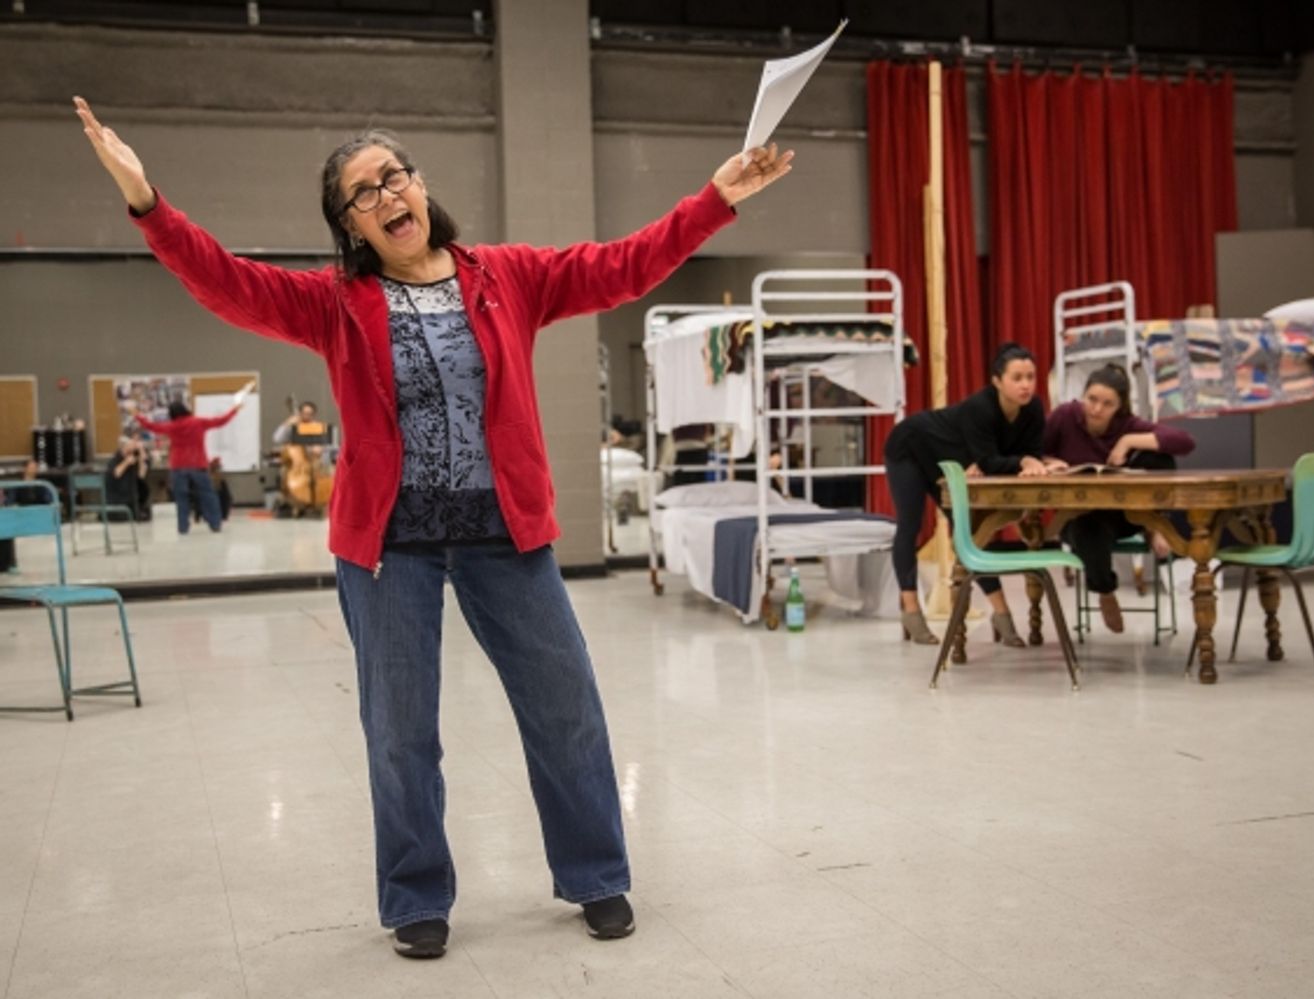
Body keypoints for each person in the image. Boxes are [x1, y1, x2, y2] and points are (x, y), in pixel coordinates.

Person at [74, 95, 791, 957]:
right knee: (400, 729)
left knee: (566, 707)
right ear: (351, 226)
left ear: (421, 185)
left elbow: (623, 267)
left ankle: (597, 872)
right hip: (390, 545)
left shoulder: (507, 276)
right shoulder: (336, 302)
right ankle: (416, 892)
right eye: (361, 194)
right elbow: (227, 281)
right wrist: (147, 201)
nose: (385, 196)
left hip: (503, 532)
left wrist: (715, 197)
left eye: (393, 176)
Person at [883, 342, 1051, 647]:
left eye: (1030, 376)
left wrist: (1041, 462)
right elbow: (991, 460)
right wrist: (1022, 461)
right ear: (997, 381)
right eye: (1017, 377)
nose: (1026, 385)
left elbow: (1030, 453)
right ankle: (911, 610)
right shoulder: (981, 407)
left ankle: (1001, 615)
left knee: (970, 533)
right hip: (910, 445)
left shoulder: (1034, 408)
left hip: (950, 457)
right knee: (910, 526)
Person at [1043, 363, 1196, 632]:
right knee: (1088, 529)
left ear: (1119, 406)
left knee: (1159, 457)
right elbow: (1033, 450)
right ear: (1083, 395)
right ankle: (1105, 592)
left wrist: (1127, 442)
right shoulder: (1065, 415)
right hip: (1079, 515)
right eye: (1092, 399)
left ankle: (1154, 523)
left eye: (1107, 404)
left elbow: (1184, 442)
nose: (1097, 409)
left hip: (1125, 514)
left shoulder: (1126, 425)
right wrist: (1049, 462)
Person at [132, 397, 241, 534]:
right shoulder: (198, 422)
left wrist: (137, 415)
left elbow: (152, 426)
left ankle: (183, 527)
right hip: (198, 464)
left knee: (181, 497)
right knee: (208, 495)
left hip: (178, 466)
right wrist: (234, 411)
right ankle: (215, 524)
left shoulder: (171, 426)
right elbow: (220, 421)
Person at [104, 435, 150, 520]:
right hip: (118, 501)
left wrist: (141, 452)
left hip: (132, 501)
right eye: (131, 445)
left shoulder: (133, 458)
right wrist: (126, 463)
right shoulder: (115, 459)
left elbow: (141, 475)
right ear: (124, 447)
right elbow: (116, 473)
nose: (133, 447)